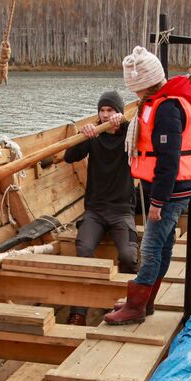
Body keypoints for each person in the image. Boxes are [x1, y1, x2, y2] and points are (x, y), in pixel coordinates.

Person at [103, 46, 191, 325]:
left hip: (169, 190)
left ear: (141, 83)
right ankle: (146, 301)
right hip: (171, 187)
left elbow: (168, 158)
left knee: (152, 248)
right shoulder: (159, 102)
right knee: (163, 247)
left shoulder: (167, 108)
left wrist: (158, 201)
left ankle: (135, 306)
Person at [65, 90, 137, 326]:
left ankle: (128, 303)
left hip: (122, 210)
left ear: (118, 112)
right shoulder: (93, 134)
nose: (106, 115)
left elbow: (144, 138)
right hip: (95, 211)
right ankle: (79, 312)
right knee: (83, 249)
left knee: (128, 255)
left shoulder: (129, 133)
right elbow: (69, 156)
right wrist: (83, 135)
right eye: (102, 110)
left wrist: (124, 124)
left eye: (111, 110)